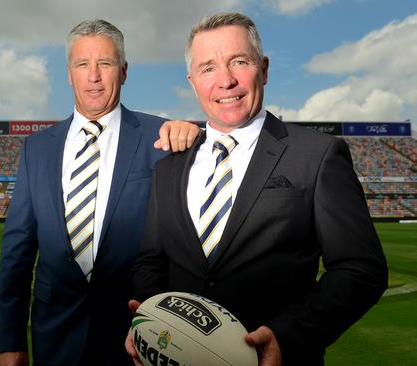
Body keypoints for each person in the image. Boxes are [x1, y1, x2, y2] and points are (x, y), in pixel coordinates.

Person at [128, 12, 388, 366]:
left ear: (263, 68)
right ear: (192, 81)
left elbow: (361, 270)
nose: (226, 80)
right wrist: (148, 321)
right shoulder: (169, 167)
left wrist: (288, 335)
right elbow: (151, 261)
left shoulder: (317, 155)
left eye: (239, 61)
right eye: (208, 68)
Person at [0, 19, 200, 366]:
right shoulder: (36, 149)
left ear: (123, 71)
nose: (93, 76)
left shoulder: (162, 139)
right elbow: (17, 253)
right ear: (68, 73)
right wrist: (10, 342)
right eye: (82, 64)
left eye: (104, 64)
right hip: (54, 337)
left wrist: (200, 135)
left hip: (135, 337)